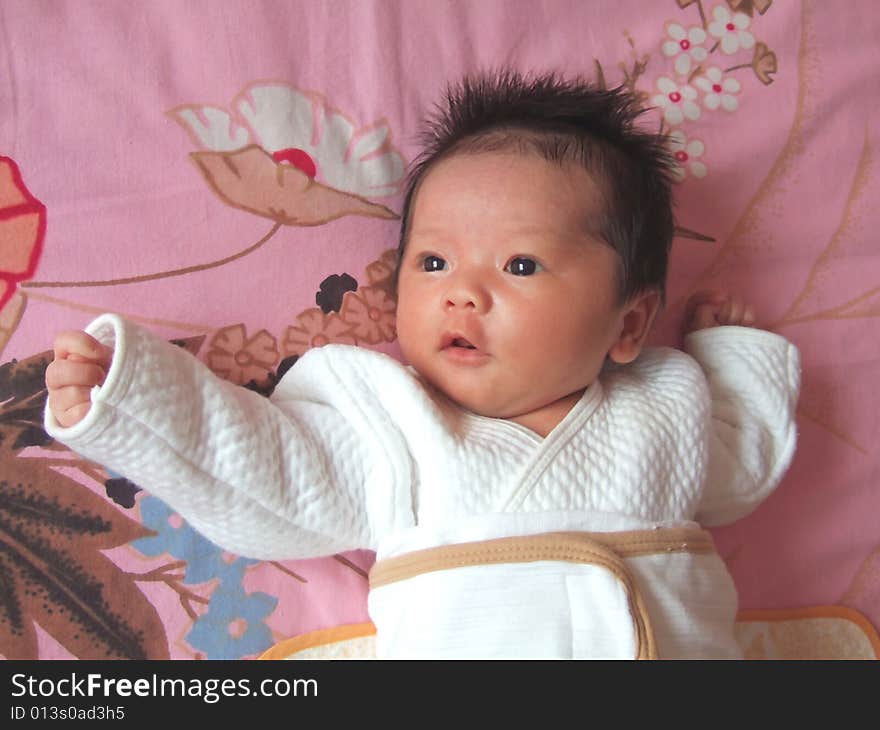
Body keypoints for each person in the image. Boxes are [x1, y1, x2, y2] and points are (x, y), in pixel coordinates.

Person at [44, 70, 800, 659]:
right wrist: (135, 399)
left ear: (629, 322)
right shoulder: (395, 426)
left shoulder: (666, 406)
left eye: (522, 264)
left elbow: (744, 460)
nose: (463, 293)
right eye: (434, 261)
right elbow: (268, 470)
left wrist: (731, 363)